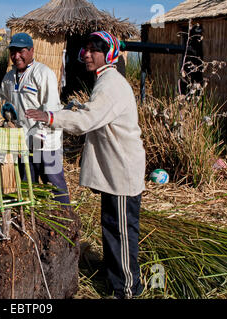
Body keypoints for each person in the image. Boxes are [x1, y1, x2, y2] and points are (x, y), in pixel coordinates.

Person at [25, 31, 146, 299]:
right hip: (115, 169)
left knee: (121, 232)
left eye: (95, 50)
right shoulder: (104, 81)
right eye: (87, 49)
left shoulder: (111, 84)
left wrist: (50, 116)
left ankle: (127, 290)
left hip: (123, 171)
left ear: (109, 54)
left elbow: (86, 122)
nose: (88, 54)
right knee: (111, 226)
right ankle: (115, 275)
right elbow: (95, 114)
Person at [0, 32, 70, 205]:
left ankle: (65, 215)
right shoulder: (8, 78)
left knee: (54, 183)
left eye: (21, 51)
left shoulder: (43, 73)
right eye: (13, 52)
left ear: (32, 51)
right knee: (28, 184)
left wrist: (42, 135)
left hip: (45, 141)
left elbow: (52, 108)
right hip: (22, 141)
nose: (16, 56)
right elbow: (6, 105)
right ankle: (35, 220)